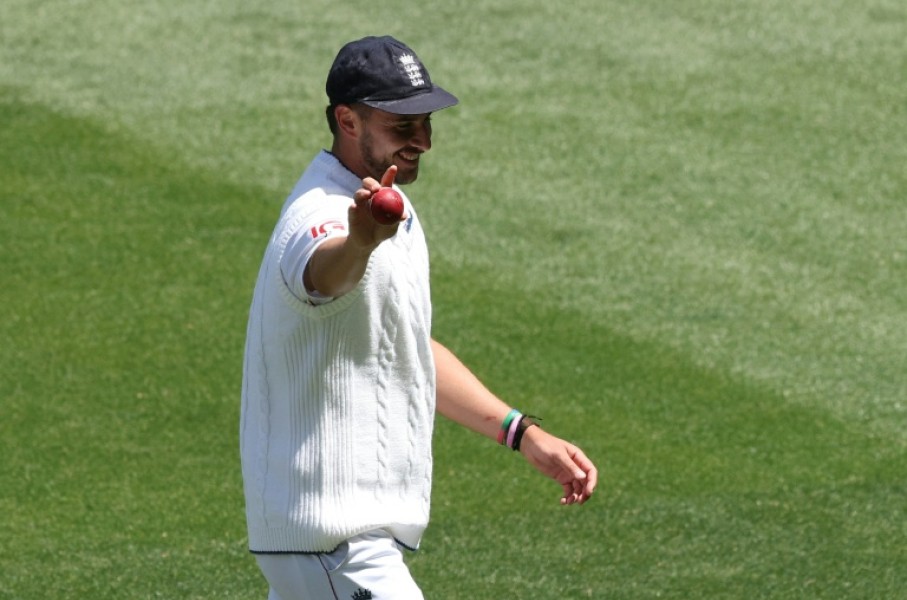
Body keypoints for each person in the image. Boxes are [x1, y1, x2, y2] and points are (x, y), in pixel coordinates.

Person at [240, 35, 598, 600]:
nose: (423, 141)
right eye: (403, 126)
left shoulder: (393, 213)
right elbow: (325, 274)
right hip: (337, 541)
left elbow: (401, 345)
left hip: (336, 543)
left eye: (426, 123)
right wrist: (359, 242)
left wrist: (521, 432)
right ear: (347, 120)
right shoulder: (321, 214)